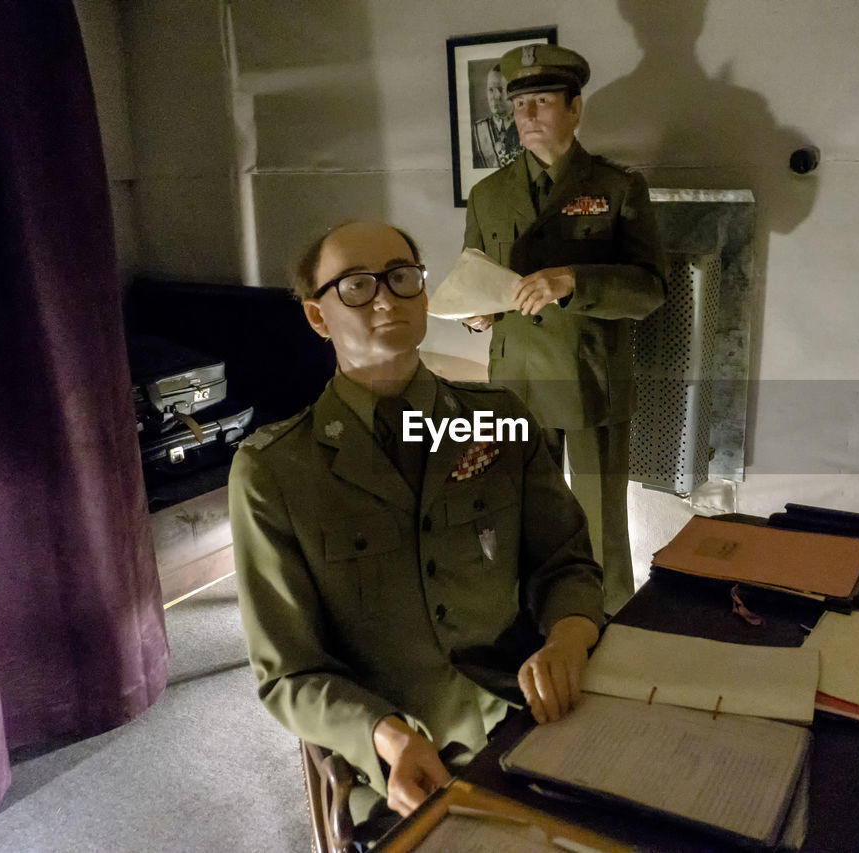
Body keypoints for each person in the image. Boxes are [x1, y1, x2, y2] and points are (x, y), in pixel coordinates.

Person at [228, 220, 603, 824]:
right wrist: (387, 737)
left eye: (402, 278)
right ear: (318, 318)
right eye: (355, 285)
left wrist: (567, 637)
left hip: (535, 719)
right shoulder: (276, 472)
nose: (385, 297)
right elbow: (290, 673)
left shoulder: (496, 421)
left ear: (424, 296)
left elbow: (565, 562)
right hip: (402, 766)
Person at [462, 43, 665, 615]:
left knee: (600, 518)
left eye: (543, 102)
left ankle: (612, 622)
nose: (526, 116)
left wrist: (573, 279)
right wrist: (478, 315)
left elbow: (650, 289)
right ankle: (537, 619)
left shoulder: (618, 188)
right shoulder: (488, 195)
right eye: (518, 104)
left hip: (589, 377)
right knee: (522, 512)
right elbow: (475, 276)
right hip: (516, 384)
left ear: (576, 109)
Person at [470, 63, 519, 168]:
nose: (495, 96)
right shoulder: (477, 131)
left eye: (501, 89)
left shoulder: (528, 126)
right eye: (490, 90)